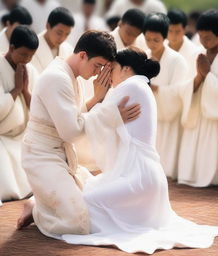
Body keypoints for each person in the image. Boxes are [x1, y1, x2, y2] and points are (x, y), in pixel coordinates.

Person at [60, 47, 218, 253]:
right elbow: (105, 119)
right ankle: (39, 208)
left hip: (139, 179)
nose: (108, 75)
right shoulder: (140, 86)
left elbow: (93, 121)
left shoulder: (131, 86)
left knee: (85, 201)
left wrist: (98, 95)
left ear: (125, 69)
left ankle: (37, 210)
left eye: (112, 68)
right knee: (89, 188)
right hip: (142, 176)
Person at [17, 31, 141, 238]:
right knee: (77, 221)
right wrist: (111, 114)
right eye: (98, 66)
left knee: (95, 203)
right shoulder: (56, 77)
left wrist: (97, 99)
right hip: (41, 156)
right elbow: (71, 131)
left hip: (61, 154)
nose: (97, 73)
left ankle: (39, 201)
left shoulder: (69, 74)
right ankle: (38, 208)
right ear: (83, 55)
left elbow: (73, 118)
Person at [177, 10, 218, 187]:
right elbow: (184, 86)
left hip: (215, 119)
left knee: (212, 161)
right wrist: (198, 79)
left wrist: (208, 75)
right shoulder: (198, 54)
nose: (203, 42)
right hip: (197, 114)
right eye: (201, 37)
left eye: (208, 38)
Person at [143, 12, 188, 178]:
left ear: (165, 37)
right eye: (148, 39)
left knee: (165, 168)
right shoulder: (143, 57)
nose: (151, 44)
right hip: (148, 116)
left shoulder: (177, 60)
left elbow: (179, 92)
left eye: (156, 40)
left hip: (169, 118)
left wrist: (157, 89)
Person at [0, 25, 38, 206]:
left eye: (31, 56)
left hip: (23, 134)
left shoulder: (30, 69)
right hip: (1, 136)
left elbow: (38, 108)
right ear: (12, 48)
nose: (27, 60)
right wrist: (15, 89)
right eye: (23, 54)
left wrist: (25, 90)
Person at [31, 7, 74, 73]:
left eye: (67, 34)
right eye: (59, 33)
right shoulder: (31, 48)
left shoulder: (69, 50)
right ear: (48, 26)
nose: (62, 38)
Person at [167, 8, 200, 78]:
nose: (173, 35)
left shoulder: (194, 52)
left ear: (185, 29)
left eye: (177, 31)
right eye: (170, 31)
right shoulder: (159, 46)